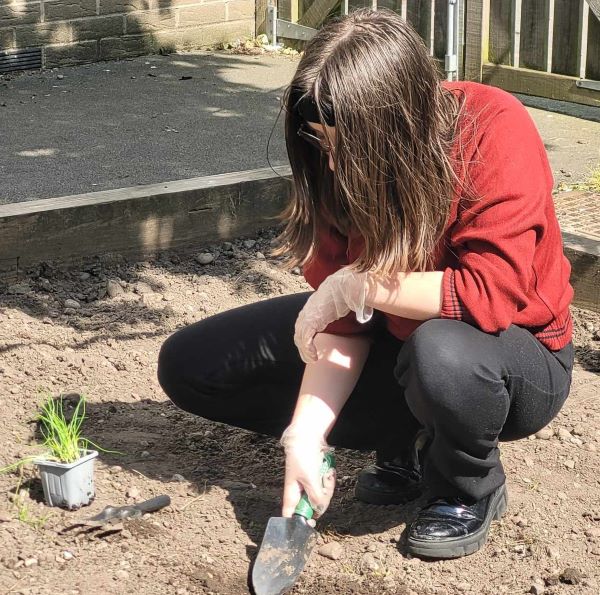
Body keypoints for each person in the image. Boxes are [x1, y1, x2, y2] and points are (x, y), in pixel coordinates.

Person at [157, 8, 574, 559]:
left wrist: (361, 286)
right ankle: (401, 442)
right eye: (320, 141)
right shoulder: (332, 163)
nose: (330, 161)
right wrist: (304, 435)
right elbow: (344, 327)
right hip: (400, 342)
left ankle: (466, 487)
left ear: (395, 127)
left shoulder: (491, 127)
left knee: (441, 352)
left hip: (510, 358)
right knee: (193, 364)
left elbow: (489, 295)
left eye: (343, 145)